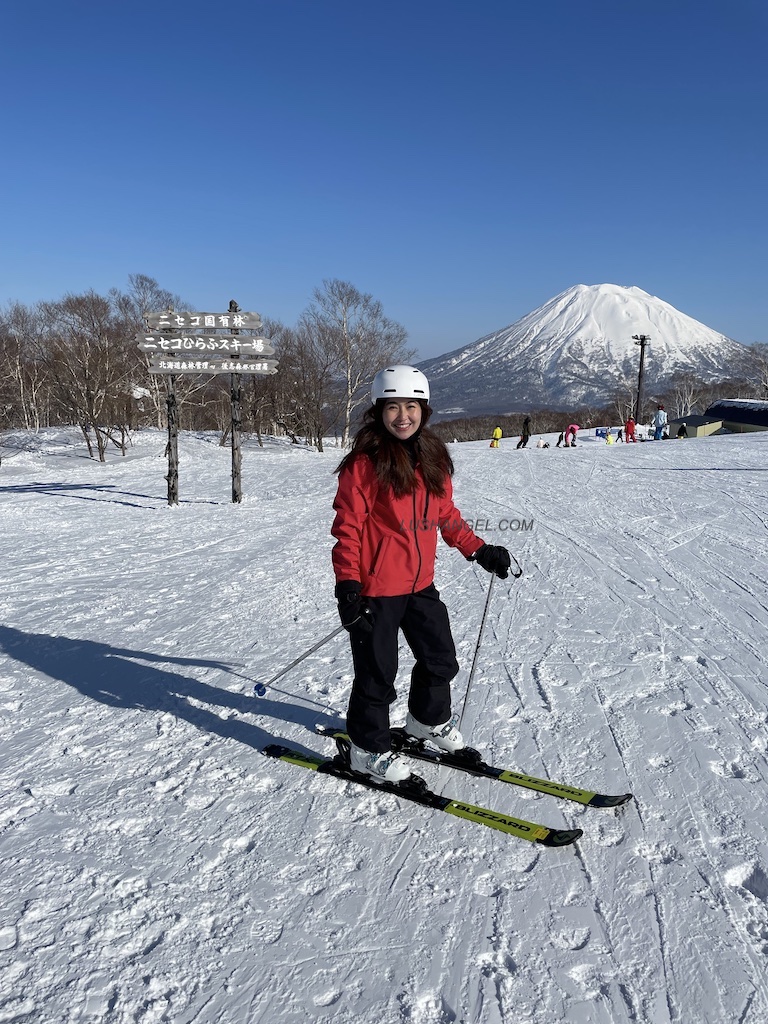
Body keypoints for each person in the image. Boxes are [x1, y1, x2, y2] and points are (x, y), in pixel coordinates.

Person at [331, 365, 512, 783]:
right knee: (377, 673)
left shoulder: (433, 457)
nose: (402, 416)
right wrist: (348, 585)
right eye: (393, 407)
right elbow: (348, 529)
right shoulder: (364, 465)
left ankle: (425, 722)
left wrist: (479, 550)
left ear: (423, 410)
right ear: (379, 411)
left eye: (411, 406)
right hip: (376, 590)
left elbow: (445, 515)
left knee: (440, 656)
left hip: (420, 585)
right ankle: (366, 749)